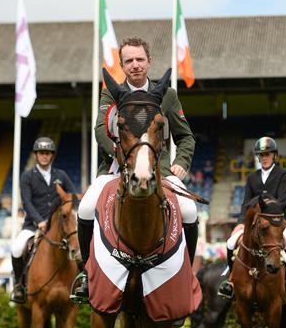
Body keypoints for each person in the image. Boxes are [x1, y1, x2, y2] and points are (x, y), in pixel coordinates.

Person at [71, 36, 197, 302]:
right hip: (116, 166)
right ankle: (86, 273)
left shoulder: (168, 95)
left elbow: (185, 137)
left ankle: (186, 274)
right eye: (129, 61)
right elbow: (100, 130)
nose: (135, 65)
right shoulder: (111, 92)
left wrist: (182, 163)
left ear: (149, 61)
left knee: (189, 210)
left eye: (140, 59)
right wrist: (122, 156)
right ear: (122, 65)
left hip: (159, 169)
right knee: (84, 208)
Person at [217, 136, 286, 302]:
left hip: (278, 220)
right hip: (253, 222)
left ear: (274, 155)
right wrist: (240, 223)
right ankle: (231, 282)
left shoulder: (283, 174)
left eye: (267, 154)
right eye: (261, 155)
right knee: (230, 243)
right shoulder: (251, 177)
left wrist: (259, 201)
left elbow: (281, 200)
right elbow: (245, 203)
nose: (264, 157)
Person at [10, 137, 75, 303]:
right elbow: (27, 202)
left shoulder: (61, 175)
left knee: (78, 246)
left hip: (58, 227)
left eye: (47, 153)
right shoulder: (27, 176)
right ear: (36, 155)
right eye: (41, 153)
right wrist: (40, 221)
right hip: (33, 225)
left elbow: (72, 196)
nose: (44, 156)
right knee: (17, 248)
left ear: (52, 155)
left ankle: (83, 284)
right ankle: (19, 286)